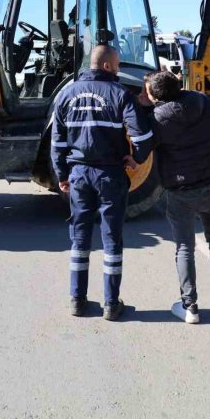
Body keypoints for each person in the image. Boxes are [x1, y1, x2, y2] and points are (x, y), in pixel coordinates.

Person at [51, 45, 153, 321]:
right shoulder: (120, 95)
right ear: (107, 66)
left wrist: (61, 175)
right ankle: (111, 304)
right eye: (117, 65)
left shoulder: (66, 94)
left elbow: (57, 143)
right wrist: (136, 159)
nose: (119, 70)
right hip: (110, 176)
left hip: (79, 175)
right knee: (111, 238)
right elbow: (142, 136)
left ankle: (77, 300)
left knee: (80, 237)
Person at [144, 71, 210, 324]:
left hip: (180, 190)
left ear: (156, 95)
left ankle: (190, 306)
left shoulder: (157, 118)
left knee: (185, 247)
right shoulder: (204, 102)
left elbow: (145, 149)